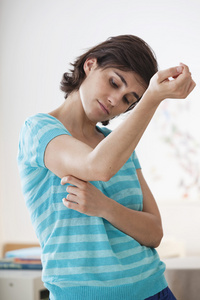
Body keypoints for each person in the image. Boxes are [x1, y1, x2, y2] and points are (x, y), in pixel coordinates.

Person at [17, 35, 195, 300]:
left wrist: (105, 207)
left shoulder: (119, 146)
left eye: (128, 100)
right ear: (90, 65)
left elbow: (154, 232)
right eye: (114, 82)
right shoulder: (39, 130)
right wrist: (152, 98)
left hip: (153, 289)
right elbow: (96, 166)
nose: (115, 100)